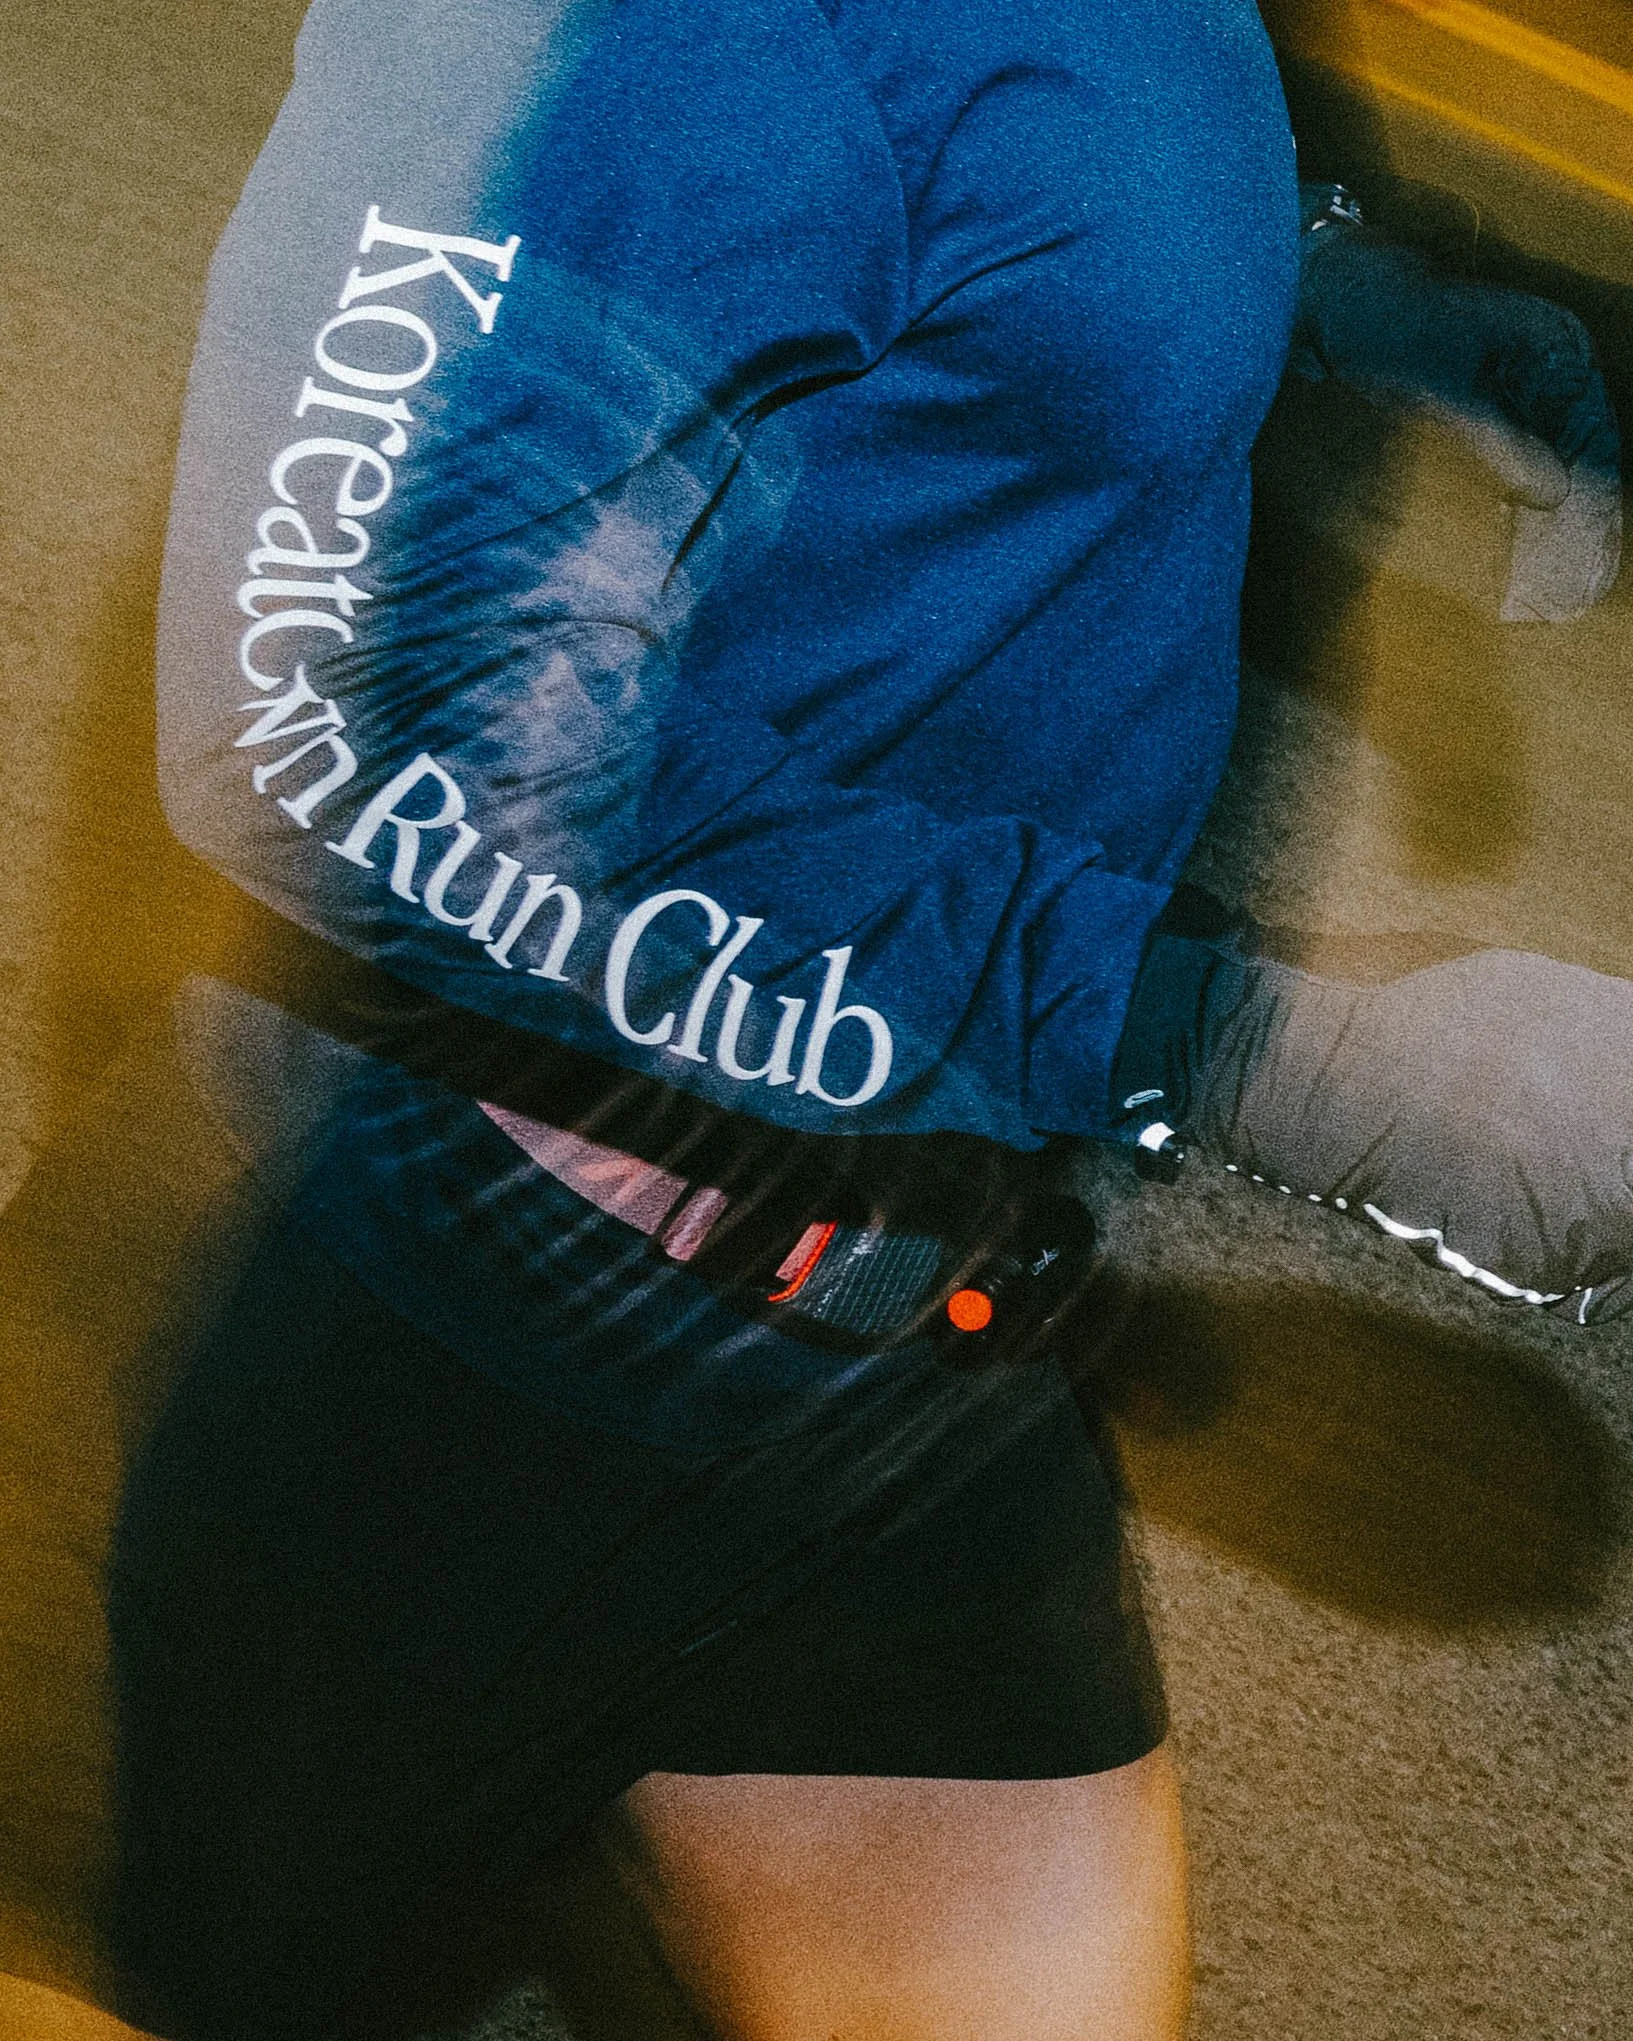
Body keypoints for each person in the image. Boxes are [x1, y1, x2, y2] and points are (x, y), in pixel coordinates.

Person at [71, 0, 1626, 2036]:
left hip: (904, 1321)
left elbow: (947, 181)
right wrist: (1240, 1054)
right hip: (475, 1347)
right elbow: (335, 746)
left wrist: (1340, 287)